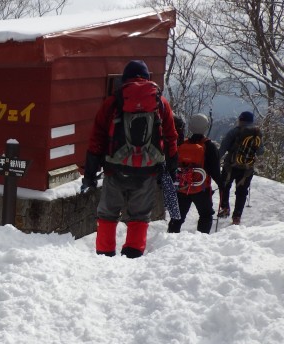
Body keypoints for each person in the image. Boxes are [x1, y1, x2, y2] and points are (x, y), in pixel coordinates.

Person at [81, 60, 178, 258]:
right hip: (147, 170)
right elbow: (171, 137)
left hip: (115, 168)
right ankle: (133, 255)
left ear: (125, 79)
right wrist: (171, 169)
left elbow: (96, 139)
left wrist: (90, 174)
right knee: (140, 215)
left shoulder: (113, 102)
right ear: (147, 78)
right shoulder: (160, 103)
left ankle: (104, 255)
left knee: (107, 214)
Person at [167, 113, 222, 234]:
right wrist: (223, 189)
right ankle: (201, 239)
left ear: (190, 126)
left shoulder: (182, 144)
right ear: (206, 127)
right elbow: (215, 172)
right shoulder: (209, 146)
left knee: (177, 218)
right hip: (201, 189)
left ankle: (171, 238)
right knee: (206, 215)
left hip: (182, 187)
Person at [217, 111, 264, 225]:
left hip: (230, 166)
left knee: (224, 186)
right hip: (247, 168)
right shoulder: (257, 133)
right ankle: (237, 217)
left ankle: (225, 208)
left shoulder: (234, 131)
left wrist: (215, 161)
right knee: (242, 192)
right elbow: (261, 151)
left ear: (241, 119)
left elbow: (223, 148)